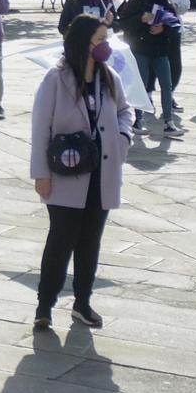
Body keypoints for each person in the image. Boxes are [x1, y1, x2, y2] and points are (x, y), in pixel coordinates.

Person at [29, 17, 132, 331]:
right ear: (83, 42)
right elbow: (40, 127)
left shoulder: (109, 76)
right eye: (99, 39)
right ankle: (45, 306)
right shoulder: (56, 79)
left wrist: (123, 137)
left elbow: (126, 111)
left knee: (90, 242)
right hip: (65, 174)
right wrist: (40, 174)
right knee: (61, 240)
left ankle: (82, 302)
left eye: (106, 38)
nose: (104, 45)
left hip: (101, 173)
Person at [117, 0, 188, 137]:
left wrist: (163, 28)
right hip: (140, 49)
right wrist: (140, 20)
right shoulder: (135, 2)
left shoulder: (166, 3)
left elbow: (175, 26)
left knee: (166, 84)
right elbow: (123, 23)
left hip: (160, 51)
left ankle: (168, 122)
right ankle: (138, 119)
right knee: (141, 84)